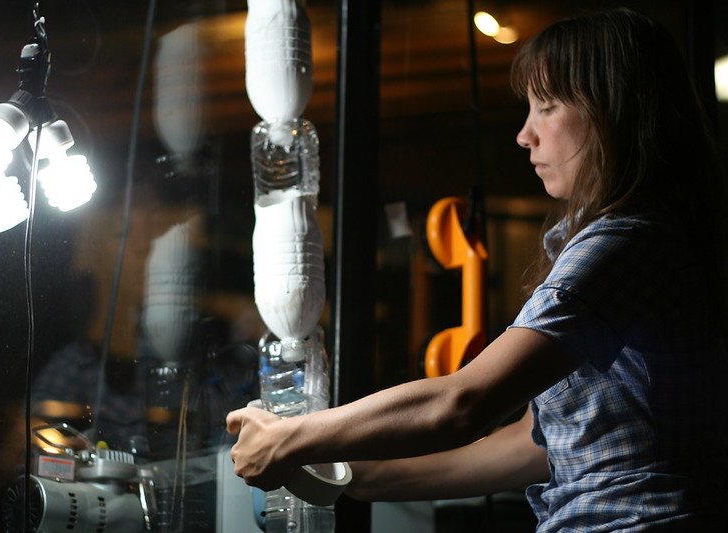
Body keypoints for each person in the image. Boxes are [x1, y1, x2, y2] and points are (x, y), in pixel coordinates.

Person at [227, 8, 728, 531]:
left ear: (613, 114)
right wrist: (362, 478)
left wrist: (292, 436)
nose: (524, 135)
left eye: (547, 107)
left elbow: (464, 401)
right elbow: (534, 445)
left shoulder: (624, 245)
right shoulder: (622, 240)